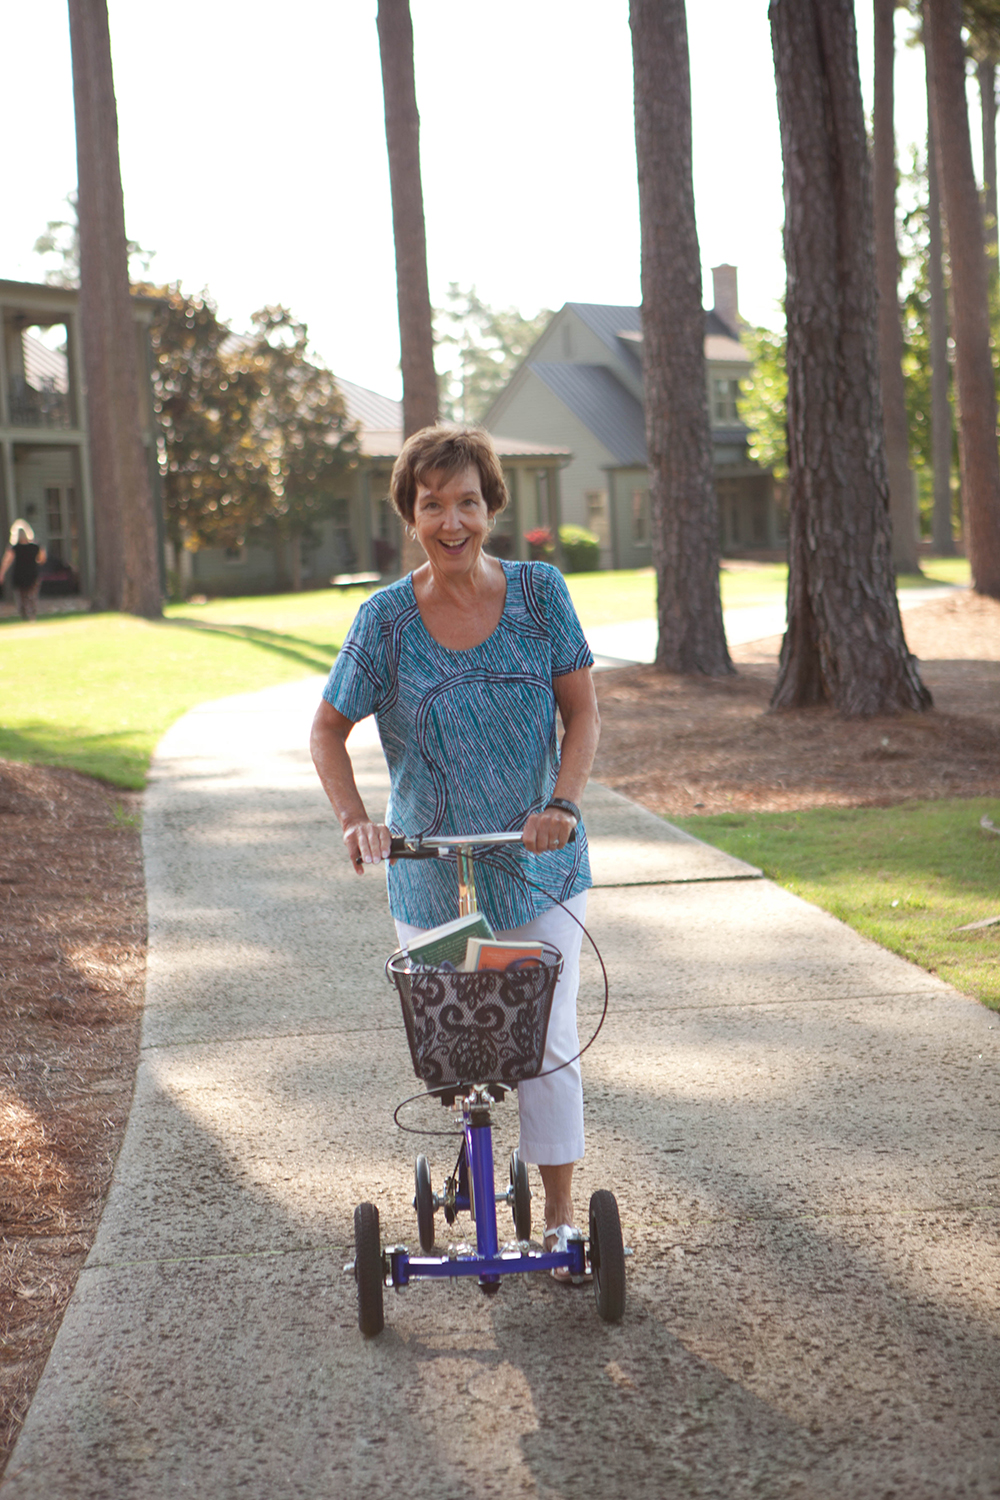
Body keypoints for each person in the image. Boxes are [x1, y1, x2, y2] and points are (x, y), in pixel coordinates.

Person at [311, 425, 600, 1277]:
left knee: (545, 1042)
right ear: (410, 516)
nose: (451, 521)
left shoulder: (541, 595)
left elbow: (582, 710)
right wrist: (355, 821)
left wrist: (562, 803)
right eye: (431, 504)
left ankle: (557, 1222)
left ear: (491, 507)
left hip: (539, 868)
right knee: (460, 1054)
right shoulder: (386, 621)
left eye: (467, 501)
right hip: (432, 877)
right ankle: (471, 1175)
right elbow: (328, 730)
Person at [0, 521, 46, 621]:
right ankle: (32, 614)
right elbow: (42, 559)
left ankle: (25, 615)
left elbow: (7, 561)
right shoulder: (35, 546)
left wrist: (2, 573)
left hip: (19, 574)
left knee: (22, 597)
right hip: (32, 574)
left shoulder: (14, 548)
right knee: (32, 596)